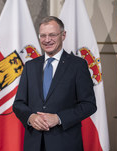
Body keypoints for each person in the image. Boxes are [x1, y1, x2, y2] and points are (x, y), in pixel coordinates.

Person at [13, 16, 97, 151]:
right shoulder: (30, 66)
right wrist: (30, 117)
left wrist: (59, 118)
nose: (47, 40)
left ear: (63, 35)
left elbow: (89, 105)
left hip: (65, 143)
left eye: (52, 35)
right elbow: (18, 104)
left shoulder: (77, 65)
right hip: (34, 144)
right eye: (43, 35)